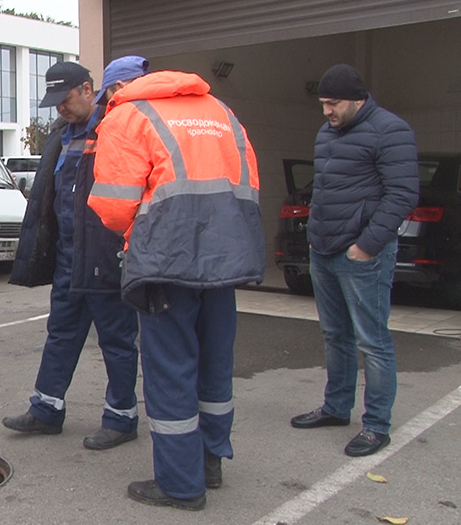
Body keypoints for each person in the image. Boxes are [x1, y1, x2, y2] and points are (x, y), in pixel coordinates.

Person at [88, 68, 265, 510]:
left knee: (171, 369)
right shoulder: (221, 111)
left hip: (167, 261)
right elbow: (250, 182)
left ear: (115, 89)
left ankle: (181, 484)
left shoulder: (127, 116)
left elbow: (112, 204)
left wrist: (141, 235)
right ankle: (210, 461)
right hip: (226, 254)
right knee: (214, 361)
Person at [1, 59, 145, 452]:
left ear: (87, 90)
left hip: (104, 252)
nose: (61, 108)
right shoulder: (62, 133)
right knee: (61, 333)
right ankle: (46, 410)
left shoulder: (115, 126)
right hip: (69, 254)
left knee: (116, 339)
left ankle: (122, 418)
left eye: (65, 99)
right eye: (55, 103)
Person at [289, 64, 418, 457]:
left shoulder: (391, 131)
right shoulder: (327, 133)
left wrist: (367, 245)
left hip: (362, 255)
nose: (327, 111)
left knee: (372, 341)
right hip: (324, 249)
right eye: (323, 103)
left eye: (334, 103)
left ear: (358, 100)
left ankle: (376, 425)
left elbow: (402, 196)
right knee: (335, 335)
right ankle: (336, 407)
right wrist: (315, 238)